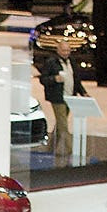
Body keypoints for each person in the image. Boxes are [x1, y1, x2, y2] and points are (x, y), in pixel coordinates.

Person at [36, 37, 72, 166]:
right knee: (63, 124)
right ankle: (70, 150)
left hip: (70, 97)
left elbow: (76, 79)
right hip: (57, 97)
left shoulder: (71, 62)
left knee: (61, 123)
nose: (66, 53)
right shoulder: (51, 62)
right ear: (58, 50)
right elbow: (43, 79)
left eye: (68, 50)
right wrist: (54, 79)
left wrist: (83, 92)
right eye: (64, 50)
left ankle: (51, 146)